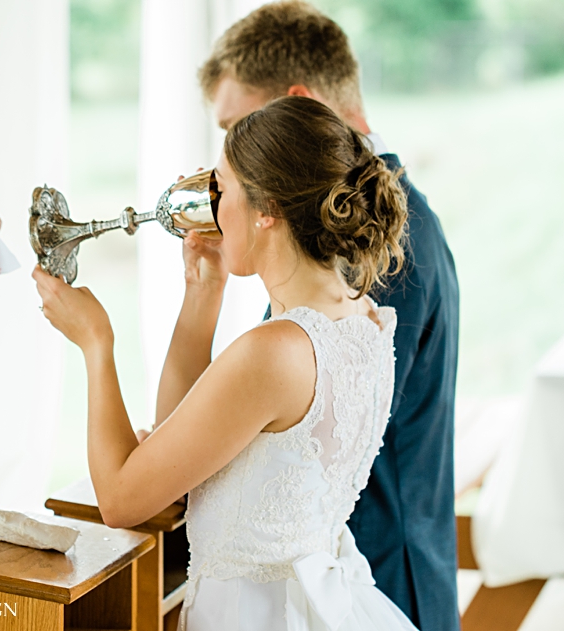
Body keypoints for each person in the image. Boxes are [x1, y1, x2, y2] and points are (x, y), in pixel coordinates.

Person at [35, 96, 415, 630]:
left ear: (268, 211)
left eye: (222, 187)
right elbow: (176, 450)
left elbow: (123, 500)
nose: (212, 207)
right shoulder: (366, 320)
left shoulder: (274, 352)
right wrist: (202, 293)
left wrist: (96, 344)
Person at [192, 3, 461, 629]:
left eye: (240, 126)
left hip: (376, 581)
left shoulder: (380, 250)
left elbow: (321, 426)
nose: (228, 165)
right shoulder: (359, 232)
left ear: (297, 105)